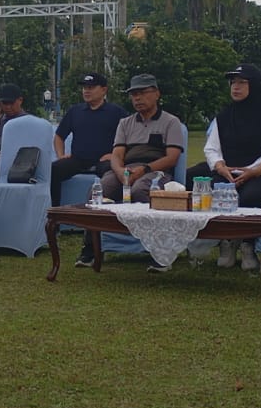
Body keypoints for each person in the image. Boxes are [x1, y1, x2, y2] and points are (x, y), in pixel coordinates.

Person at [186, 64, 261, 272]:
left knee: (250, 196)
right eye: (233, 83)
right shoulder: (224, 117)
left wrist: (254, 171)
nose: (236, 87)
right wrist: (220, 166)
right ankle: (226, 241)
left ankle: (248, 244)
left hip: (259, 173)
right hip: (227, 171)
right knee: (213, 190)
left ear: (255, 86)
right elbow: (212, 148)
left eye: (242, 82)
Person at [85, 74, 186, 270]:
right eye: (134, 95)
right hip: (126, 169)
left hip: (156, 170)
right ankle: (91, 248)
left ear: (156, 94)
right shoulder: (126, 123)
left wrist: (145, 169)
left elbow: (172, 158)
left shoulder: (170, 122)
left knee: (141, 189)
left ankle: (161, 251)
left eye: (142, 93)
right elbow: (117, 154)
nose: (137, 98)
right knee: (98, 191)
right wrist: (120, 171)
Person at [51, 73, 126, 205]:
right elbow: (59, 136)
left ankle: (112, 212)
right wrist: (61, 155)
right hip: (78, 160)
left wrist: (115, 156)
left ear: (104, 90)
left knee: (114, 173)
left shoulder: (116, 112)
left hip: (104, 160)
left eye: (91, 87)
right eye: (84, 87)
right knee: (54, 170)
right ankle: (54, 211)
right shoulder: (75, 111)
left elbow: (128, 138)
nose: (86, 91)